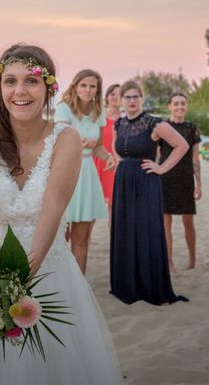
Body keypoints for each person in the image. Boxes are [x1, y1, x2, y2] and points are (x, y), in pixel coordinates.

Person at [0, 43, 123, 384]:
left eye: (31, 81)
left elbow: (52, 212)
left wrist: (18, 287)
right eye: (10, 81)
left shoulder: (67, 139)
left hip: (48, 265)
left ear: (48, 88)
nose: (20, 91)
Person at [110, 81, 189, 305]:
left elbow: (181, 145)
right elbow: (118, 150)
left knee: (146, 230)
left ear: (142, 99)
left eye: (136, 97)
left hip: (146, 181)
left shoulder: (154, 123)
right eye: (128, 97)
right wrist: (121, 166)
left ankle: (149, 287)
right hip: (124, 180)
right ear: (121, 100)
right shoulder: (119, 123)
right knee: (126, 229)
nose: (132, 101)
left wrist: (161, 168)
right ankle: (127, 285)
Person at [54, 70, 116, 274]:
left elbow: (97, 146)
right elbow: (61, 139)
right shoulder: (63, 109)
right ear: (75, 86)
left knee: (81, 237)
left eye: (93, 86)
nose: (88, 90)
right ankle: (59, 281)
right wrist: (78, 143)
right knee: (60, 235)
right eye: (84, 85)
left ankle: (79, 284)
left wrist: (108, 157)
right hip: (66, 172)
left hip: (87, 174)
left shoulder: (99, 112)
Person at [160, 92, 202, 271]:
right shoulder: (161, 127)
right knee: (166, 222)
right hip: (165, 178)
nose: (179, 107)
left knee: (188, 222)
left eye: (183, 103)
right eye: (176, 103)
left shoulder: (192, 128)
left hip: (185, 178)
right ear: (169, 106)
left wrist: (198, 184)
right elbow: (156, 155)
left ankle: (192, 260)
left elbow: (195, 158)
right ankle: (169, 262)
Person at [93, 83, 121, 214]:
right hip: (98, 161)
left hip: (117, 164)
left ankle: (114, 235)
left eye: (119, 94)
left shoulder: (126, 120)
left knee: (114, 206)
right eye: (112, 94)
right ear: (107, 97)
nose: (116, 97)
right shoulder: (98, 116)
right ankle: (86, 235)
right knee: (92, 206)